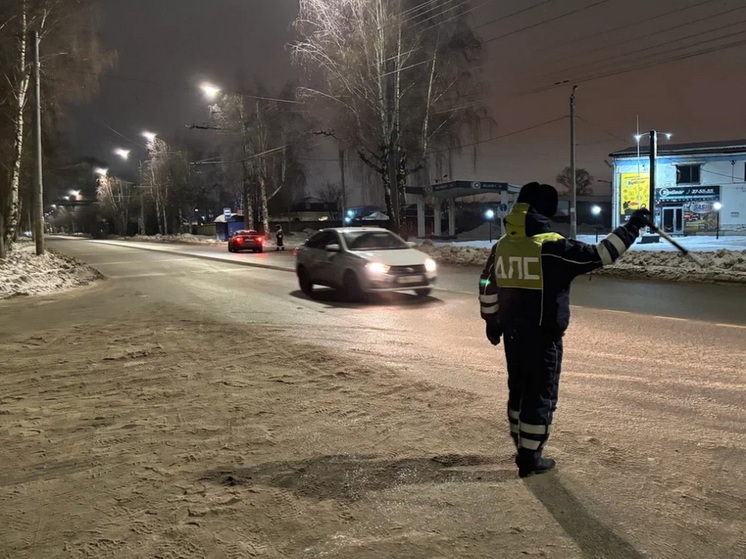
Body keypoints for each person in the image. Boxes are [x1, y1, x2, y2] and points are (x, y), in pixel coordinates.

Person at [478, 182, 651, 478]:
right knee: (540, 394)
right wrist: (633, 225)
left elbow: (485, 285)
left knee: (518, 390)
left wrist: (491, 321)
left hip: (512, 335)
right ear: (547, 211)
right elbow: (603, 253)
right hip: (543, 337)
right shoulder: (552, 247)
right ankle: (531, 458)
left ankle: (522, 446)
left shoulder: (502, 246)